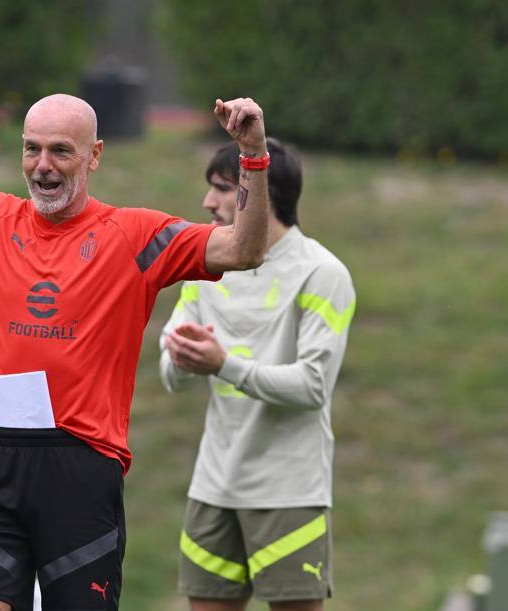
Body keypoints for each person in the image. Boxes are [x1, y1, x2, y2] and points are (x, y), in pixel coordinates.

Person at [0, 76, 271, 610]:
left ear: (94, 156)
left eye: (62, 151)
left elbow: (243, 250)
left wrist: (252, 154)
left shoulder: (135, 235)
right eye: (32, 149)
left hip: (83, 466)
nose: (44, 165)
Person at [159, 139, 355, 611]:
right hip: (212, 489)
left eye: (222, 189)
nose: (208, 202)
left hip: (288, 493)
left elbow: (312, 386)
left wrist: (223, 364)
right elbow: (170, 375)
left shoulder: (322, 273)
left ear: (262, 193)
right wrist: (183, 359)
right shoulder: (206, 267)